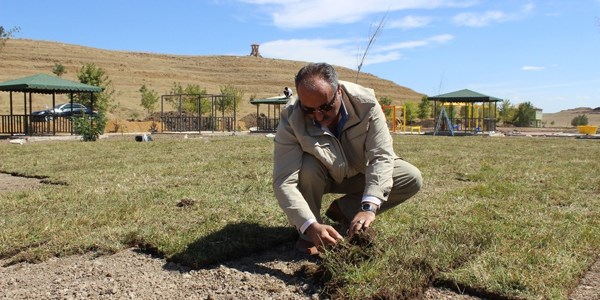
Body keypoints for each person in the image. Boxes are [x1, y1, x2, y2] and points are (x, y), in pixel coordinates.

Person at [272, 62, 422, 255]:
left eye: (325, 107)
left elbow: (381, 156)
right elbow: (284, 180)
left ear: (339, 92)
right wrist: (309, 225)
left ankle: (344, 211)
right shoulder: (291, 117)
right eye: (309, 110)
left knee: (410, 176)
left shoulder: (366, 104)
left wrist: (369, 206)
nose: (318, 116)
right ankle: (311, 234)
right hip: (320, 176)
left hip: (360, 173)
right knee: (307, 168)